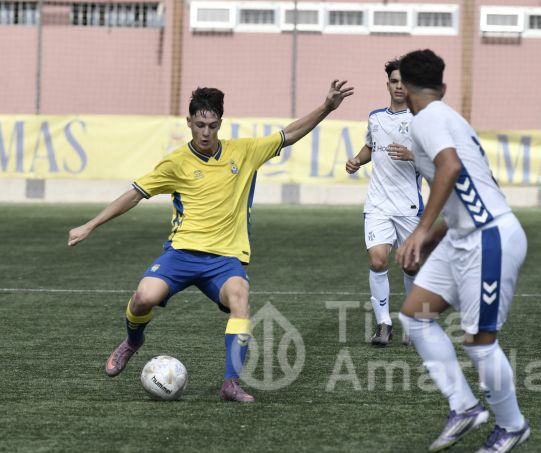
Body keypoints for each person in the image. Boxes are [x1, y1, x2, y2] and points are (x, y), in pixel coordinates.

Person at [68, 80, 354, 403]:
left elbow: (288, 135)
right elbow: (135, 194)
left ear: (220, 123)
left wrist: (326, 107)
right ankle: (133, 342)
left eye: (212, 125)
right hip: (181, 254)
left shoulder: (243, 152)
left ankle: (231, 383)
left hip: (224, 259)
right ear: (188, 122)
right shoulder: (176, 162)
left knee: (240, 298)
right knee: (143, 297)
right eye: (200, 125)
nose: (206, 132)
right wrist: (90, 225)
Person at [396, 49, 530, 453]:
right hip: (461, 236)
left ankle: (512, 425)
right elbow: (462, 188)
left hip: (488, 238)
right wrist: (434, 235)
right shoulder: (445, 116)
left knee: (480, 343)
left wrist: (421, 230)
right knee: (415, 315)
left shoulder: (428, 118)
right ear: (442, 85)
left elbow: (450, 168)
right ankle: (464, 407)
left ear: (405, 88)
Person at [345, 58, 423, 346]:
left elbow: (437, 158)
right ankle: (383, 324)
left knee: (411, 266)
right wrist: (357, 160)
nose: (399, 86)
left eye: (404, 82)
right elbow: (371, 146)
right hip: (377, 204)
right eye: (394, 81)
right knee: (378, 261)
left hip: (409, 206)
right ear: (387, 85)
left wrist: (413, 155)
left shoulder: (421, 120)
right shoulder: (375, 117)